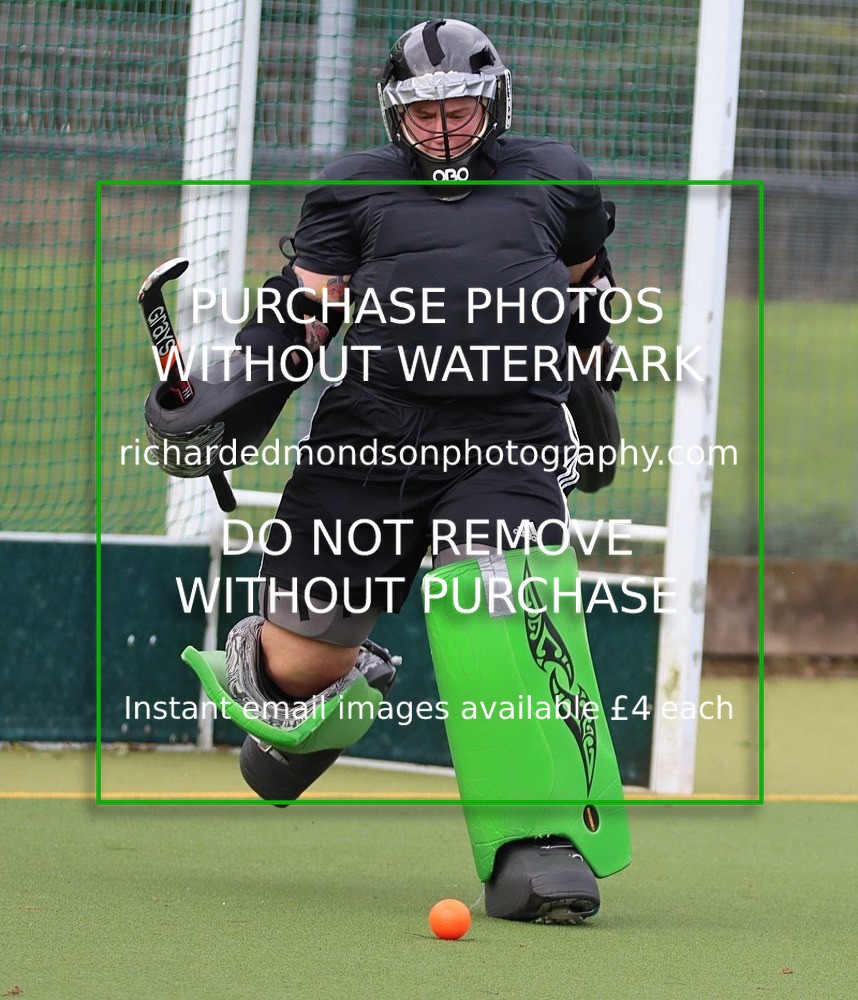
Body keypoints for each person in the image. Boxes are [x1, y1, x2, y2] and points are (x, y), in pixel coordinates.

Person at [149, 17, 630, 923]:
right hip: (371, 433)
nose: (443, 128)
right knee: (295, 662)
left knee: (502, 610)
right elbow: (301, 314)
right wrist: (227, 408)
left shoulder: (556, 175)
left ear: (494, 102)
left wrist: (590, 380)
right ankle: (313, 706)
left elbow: (585, 283)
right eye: (424, 115)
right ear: (395, 115)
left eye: (460, 108)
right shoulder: (347, 191)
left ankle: (538, 843)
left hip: (508, 434)